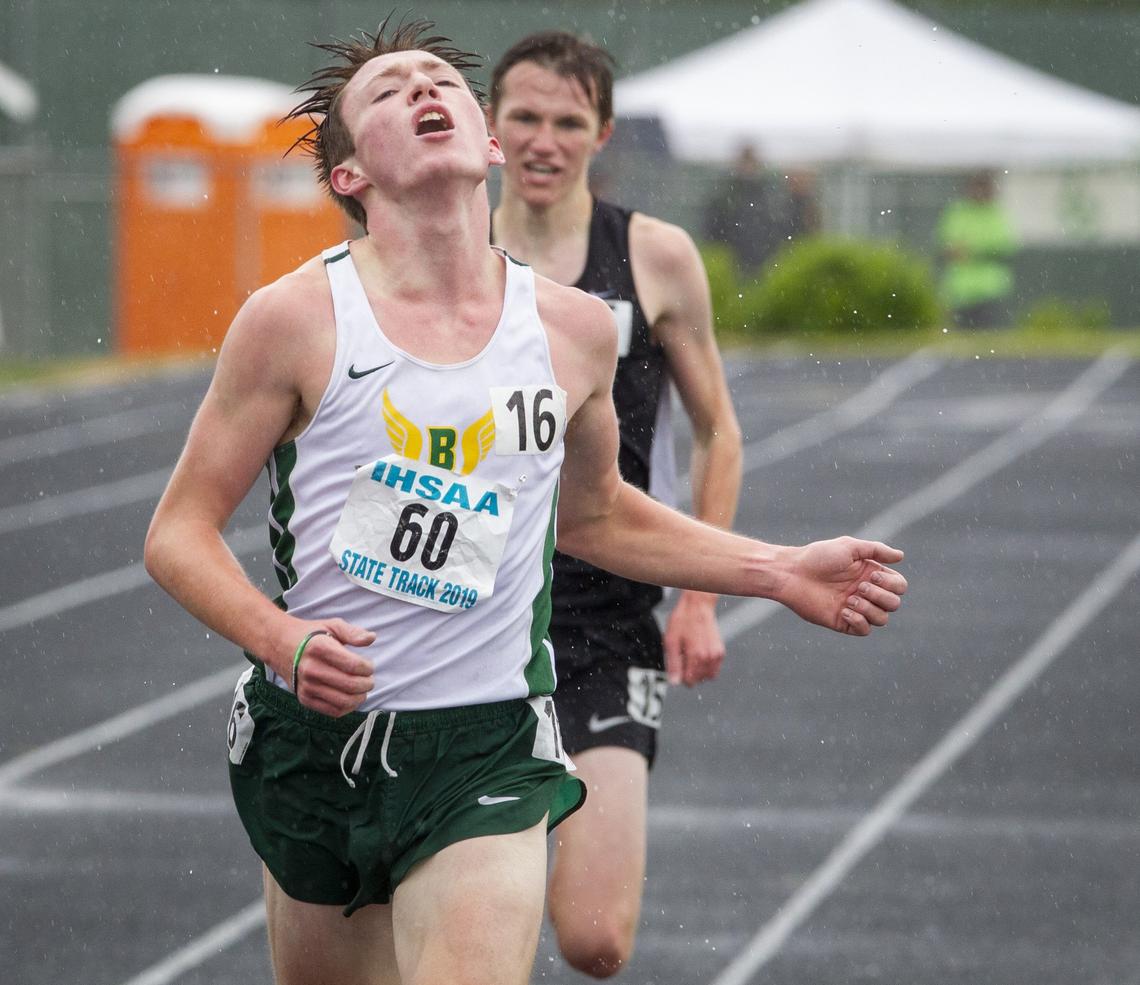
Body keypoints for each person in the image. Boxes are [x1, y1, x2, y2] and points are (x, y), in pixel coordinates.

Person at [144, 18, 908, 985]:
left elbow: (597, 516)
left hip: (488, 741)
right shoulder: (294, 321)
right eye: (387, 92)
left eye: (440, 82)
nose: (423, 90)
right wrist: (278, 637)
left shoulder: (574, 330)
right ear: (350, 177)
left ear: (486, 143)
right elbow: (177, 531)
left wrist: (779, 568)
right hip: (315, 741)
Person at [487, 30, 743, 978]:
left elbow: (719, 432)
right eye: (524, 117)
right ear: (489, 125)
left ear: (601, 134)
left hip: (605, 606)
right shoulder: (447, 253)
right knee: (471, 912)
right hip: (468, 606)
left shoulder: (657, 257)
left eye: (567, 121)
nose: (543, 141)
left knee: (595, 938)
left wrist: (702, 597)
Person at [937, 170, 1018, 329]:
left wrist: (972, 252)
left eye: (983, 186)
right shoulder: (957, 212)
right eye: (976, 186)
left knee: (988, 341)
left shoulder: (996, 214)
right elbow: (944, 245)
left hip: (991, 290)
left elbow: (1005, 248)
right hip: (959, 291)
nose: (979, 192)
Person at [701, 143, 782, 273]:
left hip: (760, 258)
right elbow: (714, 228)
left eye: (751, 163)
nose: (748, 168)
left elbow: (773, 227)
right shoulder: (727, 194)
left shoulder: (765, 193)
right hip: (736, 259)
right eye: (746, 162)